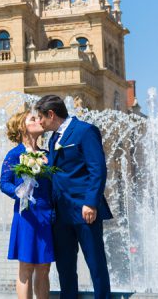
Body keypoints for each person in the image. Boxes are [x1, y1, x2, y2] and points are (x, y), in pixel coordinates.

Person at [35, 94, 112, 299]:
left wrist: (91, 203)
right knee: (65, 265)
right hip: (60, 213)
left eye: (41, 117)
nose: (40, 122)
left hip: (84, 209)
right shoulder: (53, 139)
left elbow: (97, 169)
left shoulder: (85, 131)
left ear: (51, 114)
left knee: (95, 261)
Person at [0, 108, 54, 299]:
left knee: (44, 267)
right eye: (33, 118)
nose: (39, 120)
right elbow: (3, 183)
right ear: (23, 127)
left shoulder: (48, 155)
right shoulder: (14, 154)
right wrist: (18, 191)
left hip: (46, 215)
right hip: (26, 216)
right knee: (26, 267)